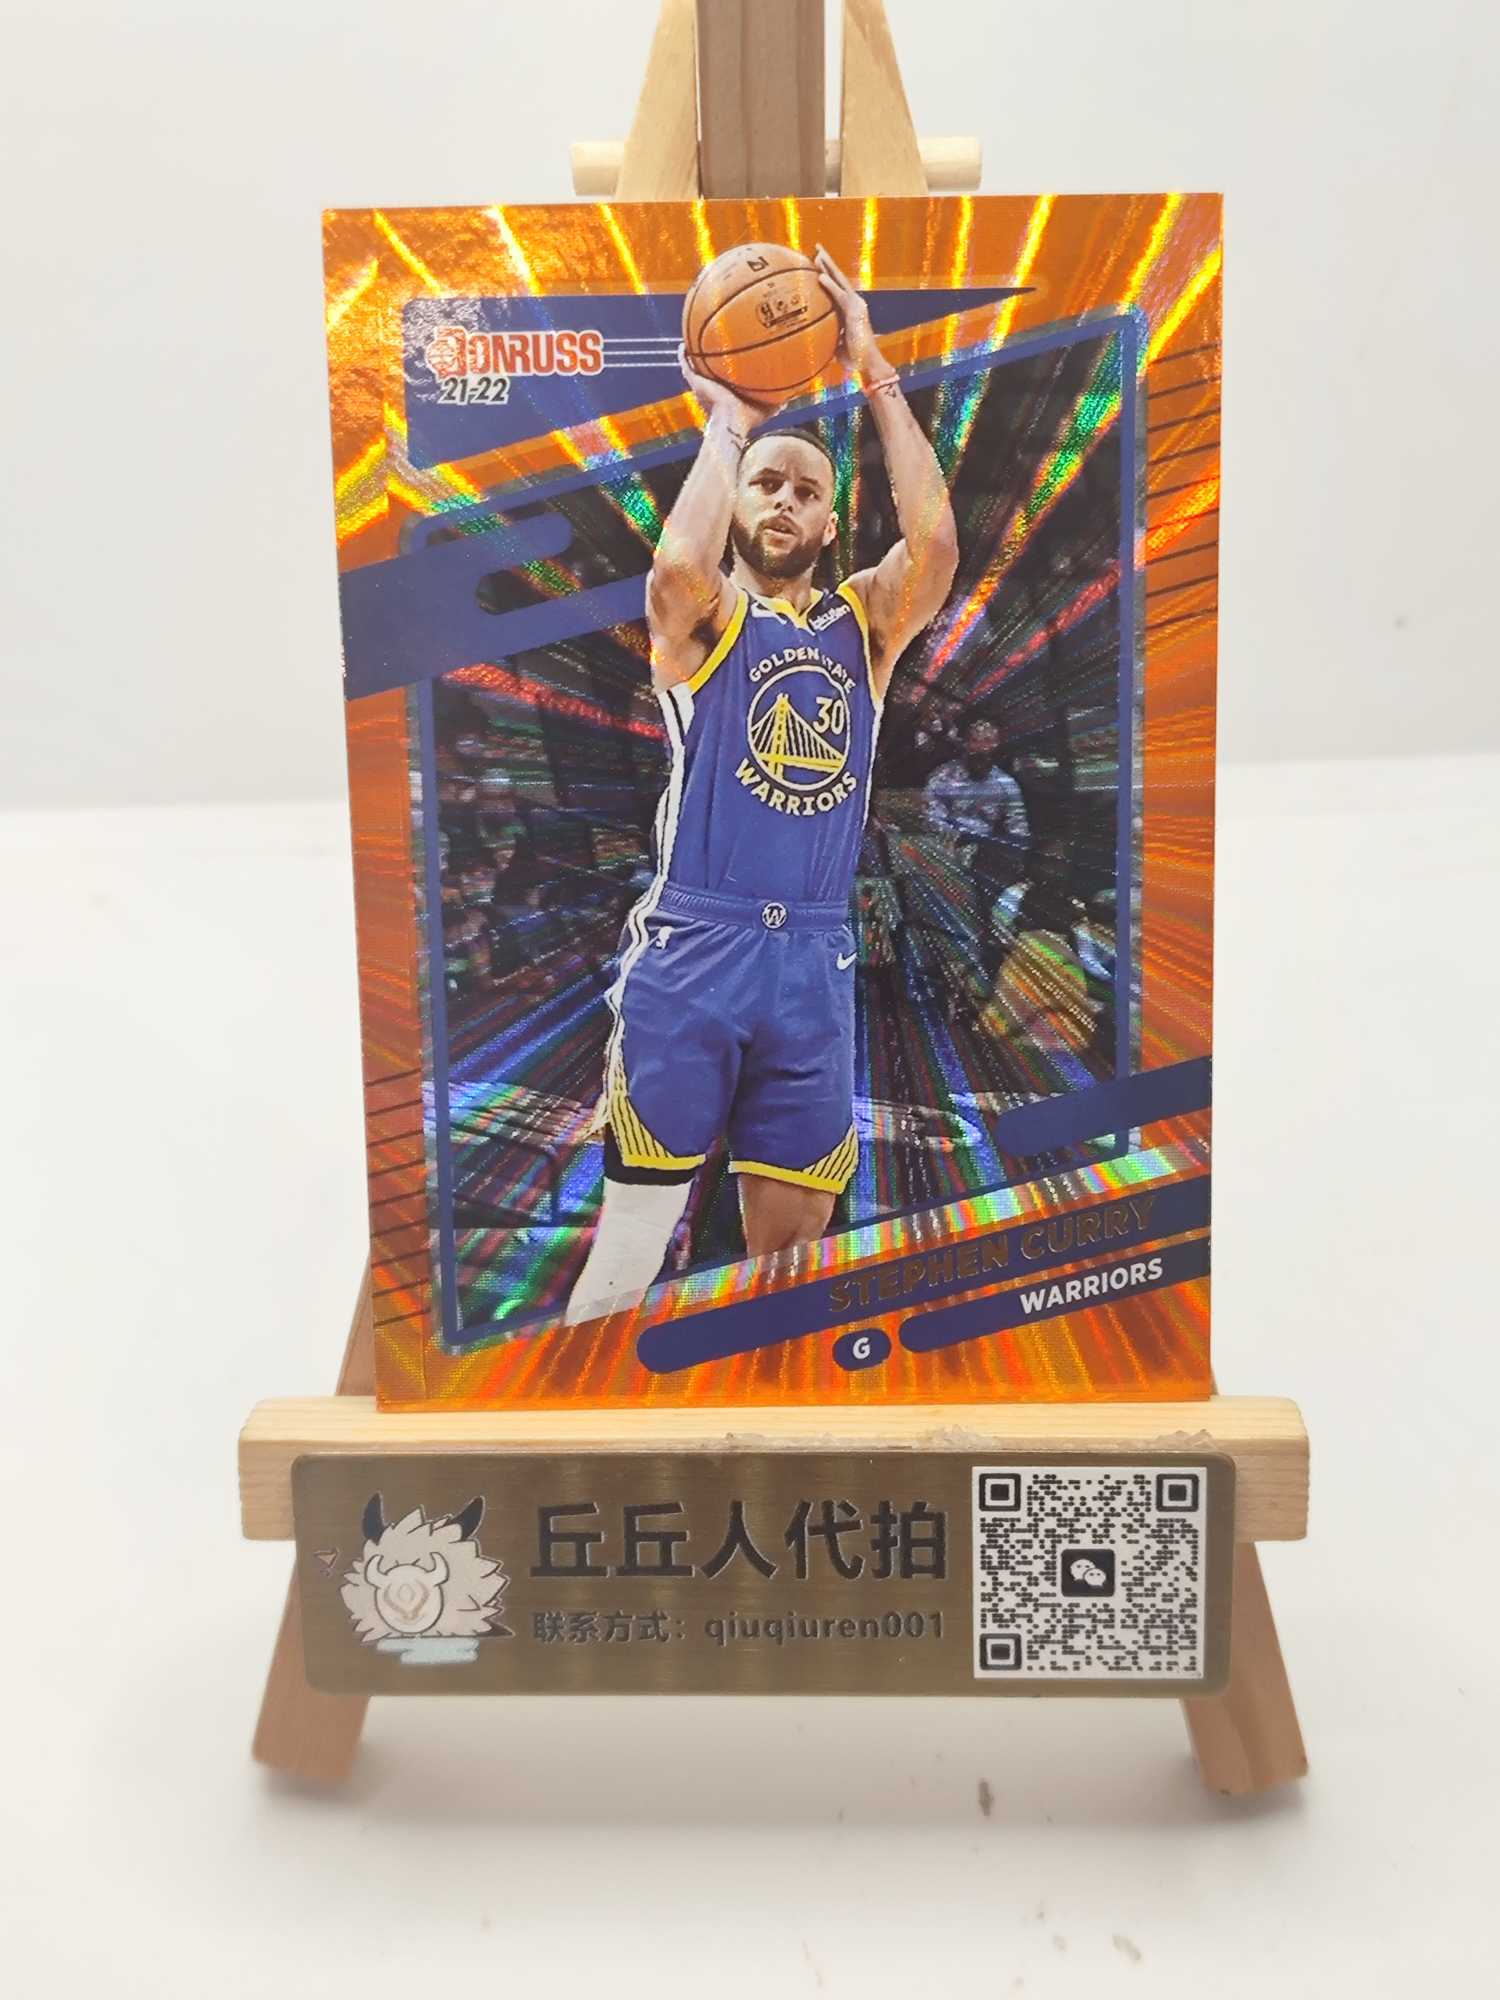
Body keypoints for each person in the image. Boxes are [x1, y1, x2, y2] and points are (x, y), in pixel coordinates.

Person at [563, 244, 958, 1324]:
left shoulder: (861, 625)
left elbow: (934, 550)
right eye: (766, 485)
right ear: (735, 500)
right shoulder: (703, 624)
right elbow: (674, 572)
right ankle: (582, 1400)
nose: (784, 500)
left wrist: (875, 370)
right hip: (697, 947)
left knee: (788, 1269)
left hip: (813, 959)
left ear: (830, 523)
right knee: (632, 1251)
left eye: (806, 491)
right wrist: (729, 420)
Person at [923, 716, 1030, 891]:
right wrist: (958, 839)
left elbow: (1019, 829)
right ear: (965, 743)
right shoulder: (943, 776)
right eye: (974, 740)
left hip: (986, 856)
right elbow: (930, 817)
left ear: (997, 745)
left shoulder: (1006, 784)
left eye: (987, 741)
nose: (981, 748)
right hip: (943, 851)